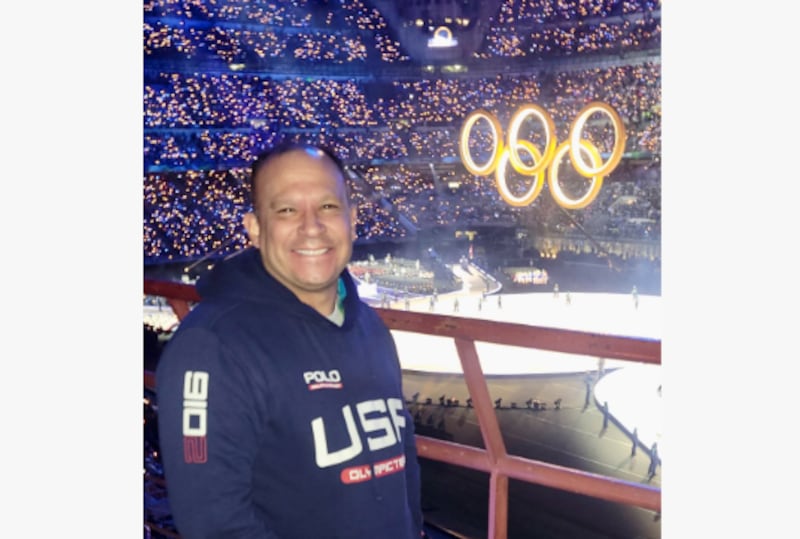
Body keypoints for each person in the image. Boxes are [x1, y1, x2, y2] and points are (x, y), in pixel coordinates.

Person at [155, 142, 425, 539]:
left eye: (328, 207)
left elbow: (404, 467)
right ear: (255, 229)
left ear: (352, 219)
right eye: (286, 210)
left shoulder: (370, 327)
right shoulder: (212, 348)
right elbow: (216, 524)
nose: (311, 226)